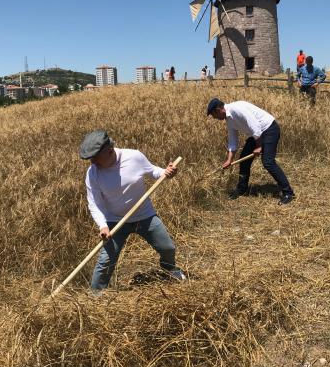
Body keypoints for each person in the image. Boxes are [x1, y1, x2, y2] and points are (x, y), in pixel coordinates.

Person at [79, 130, 186, 292]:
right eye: (90, 158)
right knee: (105, 262)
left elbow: (153, 171)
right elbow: (94, 203)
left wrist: (166, 173)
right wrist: (102, 225)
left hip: (144, 215)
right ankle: (95, 295)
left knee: (168, 248)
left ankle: (169, 269)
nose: (92, 162)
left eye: (95, 157)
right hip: (115, 221)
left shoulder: (133, 157)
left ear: (109, 151)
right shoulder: (93, 173)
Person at [206, 98, 295, 205]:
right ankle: (242, 189)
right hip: (256, 134)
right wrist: (229, 160)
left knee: (268, 162)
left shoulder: (236, 109)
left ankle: (288, 193)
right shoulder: (229, 120)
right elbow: (233, 140)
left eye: (213, 115)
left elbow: (254, 124)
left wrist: (258, 146)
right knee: (243, 162)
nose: (214, 118)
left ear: (218, 110)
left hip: (269, 129)